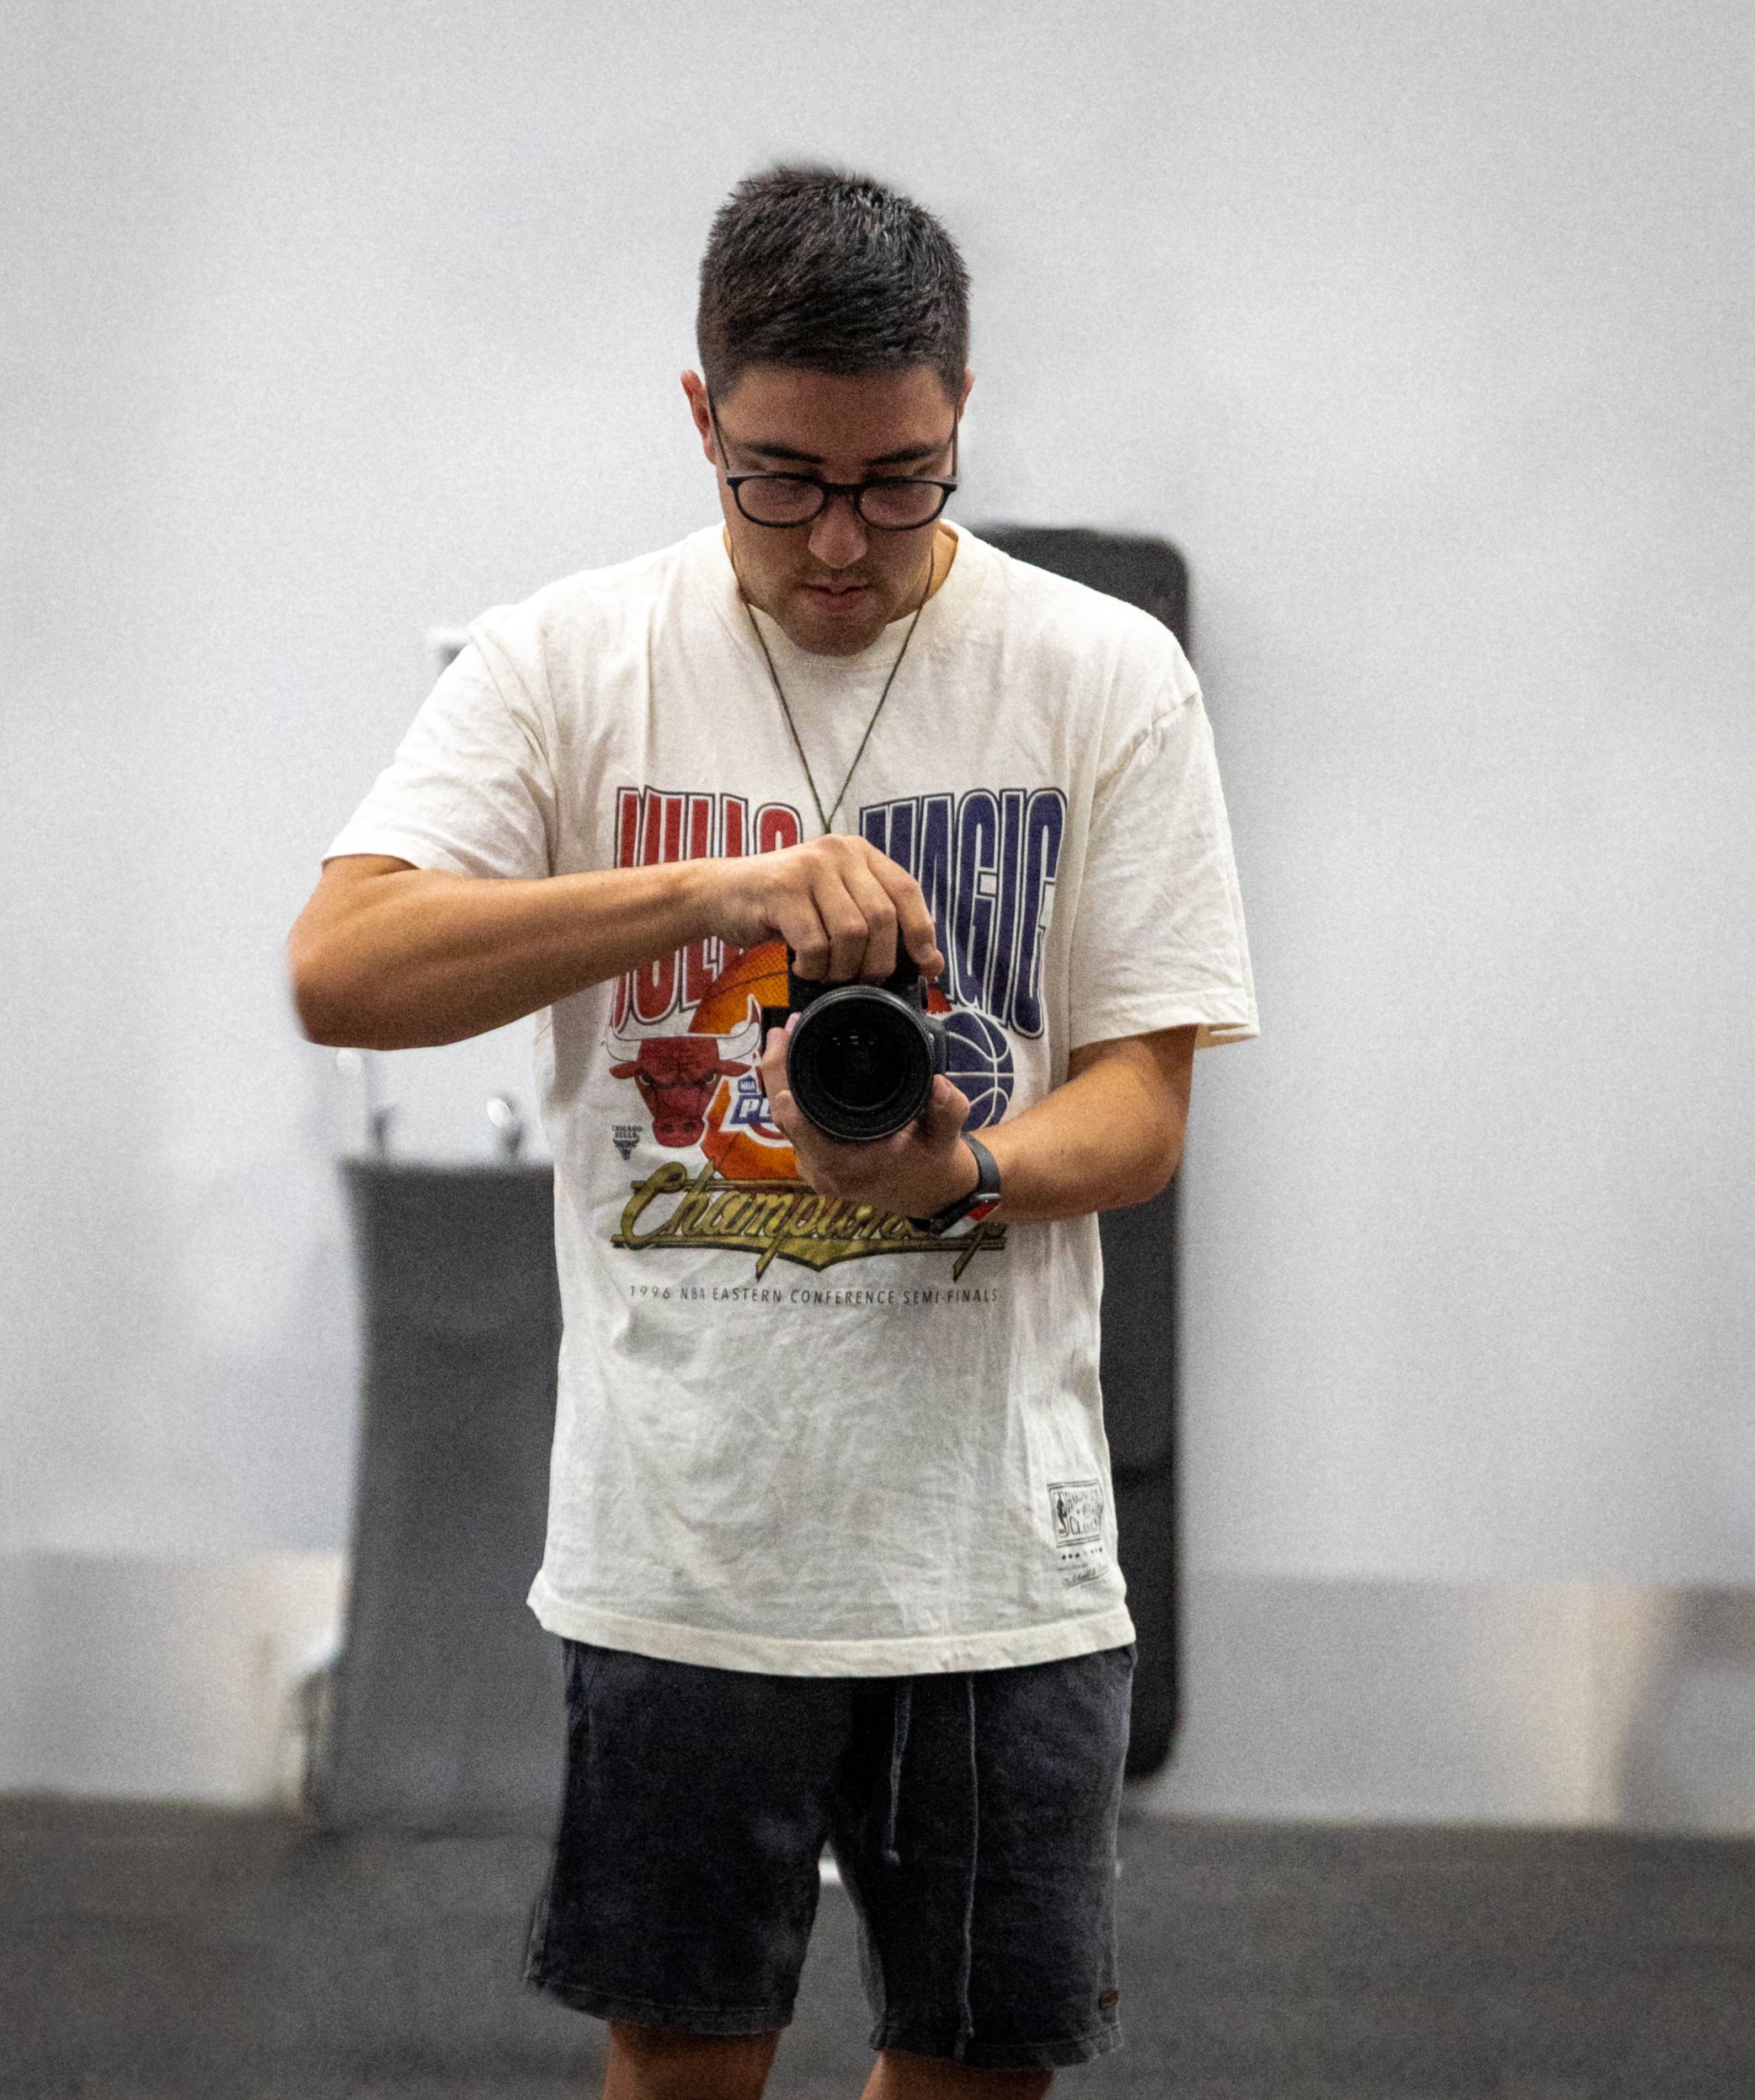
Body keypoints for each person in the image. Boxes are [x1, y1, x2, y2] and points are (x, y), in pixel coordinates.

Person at [288, 164, 1256, 2100]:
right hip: (691, 1534)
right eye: (780, 476)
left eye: (900, 478)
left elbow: (1143, 1105)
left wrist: (953, 1170)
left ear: (960, 410)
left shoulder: (1100, 674)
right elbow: (340, 966)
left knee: (983, 2063)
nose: (838, 539)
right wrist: (706, 895)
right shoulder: (571, 660)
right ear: (699, 416)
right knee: (683, 2061)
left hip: (999, 1541)